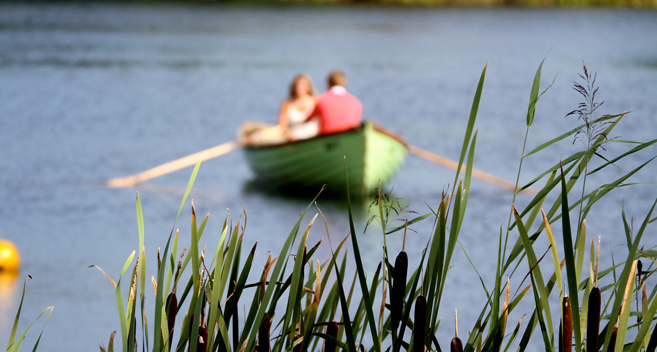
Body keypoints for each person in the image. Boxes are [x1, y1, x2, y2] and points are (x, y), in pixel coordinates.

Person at [306, 70, 362, 135]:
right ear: (344, 83)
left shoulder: (320, 100)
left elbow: (309, 119)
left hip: (326, 137)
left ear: (329, 83)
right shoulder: (356, 102)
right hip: (349, 137)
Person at [277, 73, 319, 141]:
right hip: (295, 139)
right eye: (297, 85)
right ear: (293, 88)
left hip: (313, 138)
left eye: (303, 84)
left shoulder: (315, 100)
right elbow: (282, 126)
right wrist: (290, 137)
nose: (300, 87)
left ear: (308, 87)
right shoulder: (287, 103)